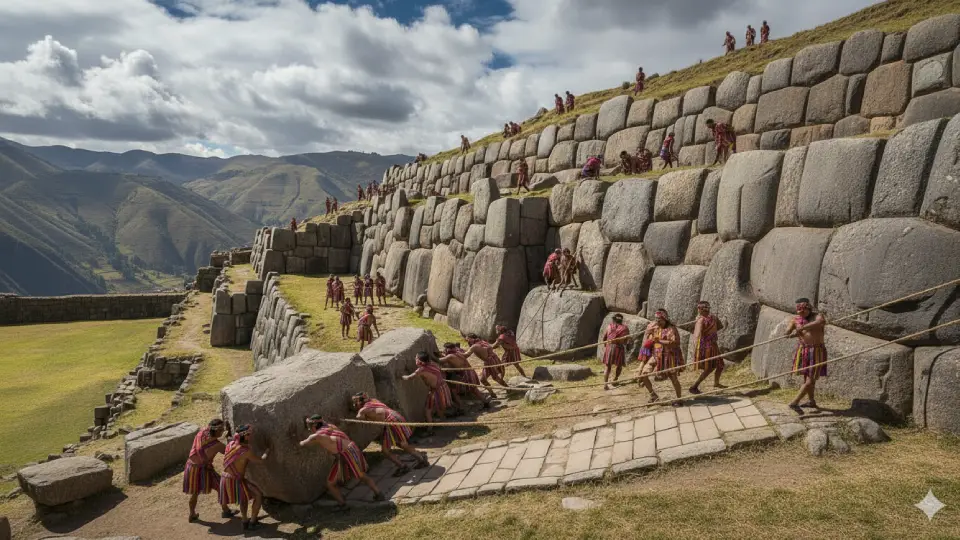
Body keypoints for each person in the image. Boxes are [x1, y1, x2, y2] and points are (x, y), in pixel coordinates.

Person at [300, 415, 384, 508]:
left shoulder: (316, 436)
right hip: (351, 450)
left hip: (347, 454)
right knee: (356, 476)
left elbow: (302, 443)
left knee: (356, 477)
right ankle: (376, 494)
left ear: (313, 426)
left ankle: (345, 504)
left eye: (309, 427)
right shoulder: (330, 426)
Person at [352, 393, 430, 476]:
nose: (354, 405)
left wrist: (359, 414)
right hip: (394, 417)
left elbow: (359, 417)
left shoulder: (364, 409)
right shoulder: (373, 401)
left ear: (360, 402)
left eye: (355, 403)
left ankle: (411, 463)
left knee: (393, 447)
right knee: (397, 445)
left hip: (392, 421)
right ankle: (415, 460)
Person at [184, 419, 235, 523]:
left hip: (192, 466)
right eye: (221, 430)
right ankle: (225, 510)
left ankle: (192, 514)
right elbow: (229, 452)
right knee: (220, 485)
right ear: (216, 431)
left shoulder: (201, 433)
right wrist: (230, 437)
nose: (222, 432)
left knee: (195, 492)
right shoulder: (216, 444)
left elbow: (200, 449)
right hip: (203, 468)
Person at [219, 424, 269, 531]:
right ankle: (252, 522)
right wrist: (267, 451)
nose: (250, 437)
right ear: (245, 436)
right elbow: (260, 460)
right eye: (249, 435)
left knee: (243, 499)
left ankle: (245, 521)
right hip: (235, 479)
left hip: (225, 478)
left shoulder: (230, 444)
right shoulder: (245, 451)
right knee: (258, 495)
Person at [786, 298, 828, 414]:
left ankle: (795, 402)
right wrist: (790, 332)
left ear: (808, 309)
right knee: (807, 378)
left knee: (810, 379)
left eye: (803, 311)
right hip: (803, 350)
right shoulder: (796, 320)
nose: (801, 314)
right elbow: (787, 331)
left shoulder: (817, 316)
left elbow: (820, 322)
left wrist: (803, 328)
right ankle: (811, 401)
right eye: (799, 312)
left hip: (817, 351)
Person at [638, 309, 685, 406]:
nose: (657, 322)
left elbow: (675, 343)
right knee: (643, 374)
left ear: (664, 319)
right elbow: (648, 341)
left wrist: (659, 341)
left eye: (659, 320)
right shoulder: (655, 327)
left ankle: (679, 400)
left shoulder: (672, 329)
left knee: (674, 379)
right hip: (656, 355)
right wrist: (648, 333)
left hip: (669, 357)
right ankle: (653, 395)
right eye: (656, 320)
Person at [402, 352, 452, 429]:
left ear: (420, 361)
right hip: (443, 386)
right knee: (439, 408)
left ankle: (430, 428)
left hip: (436, 390)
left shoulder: (421, 370)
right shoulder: (432, 364)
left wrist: (401, 376)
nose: (415, 359)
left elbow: (409, 377)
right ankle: (442, 421)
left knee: (428, 410)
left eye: (416, 358)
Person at [688, 301, 726, 394]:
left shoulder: (708, 318)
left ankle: (716, 383)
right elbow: (697, 335)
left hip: (711, 345)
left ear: (700, 310)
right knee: (710, 368)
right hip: (707, 346)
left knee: (720, 365)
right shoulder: (702, 320)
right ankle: (694, 386)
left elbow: (697, 336)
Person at [601, 314, 631, 390]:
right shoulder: (625, 328)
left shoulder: (609, 326)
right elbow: (627, 341)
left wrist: (607, 346)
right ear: (621, 320)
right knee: (619, 365)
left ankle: (605, 384)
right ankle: (615, 379)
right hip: (619, 348)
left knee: (608, 367)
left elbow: (604, 338)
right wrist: (627, 346)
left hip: (609, 347)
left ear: (614, 319)